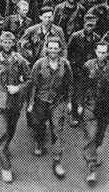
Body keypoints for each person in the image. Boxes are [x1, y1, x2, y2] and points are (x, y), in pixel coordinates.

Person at [0, 31, 30, 183]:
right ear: (0, 43)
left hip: (15, 101)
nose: (7, 45)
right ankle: (6, 167)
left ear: (14, 43)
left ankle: (5, 148)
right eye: (4, 42)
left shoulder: (20, 60)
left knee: (10, 131)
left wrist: (19, 88)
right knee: (1, 134)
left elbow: (29, 80)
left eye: (9, 42)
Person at [28, 36, 72, 179]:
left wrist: (69, 102)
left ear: (60, 49)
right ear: (46, 49)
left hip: (58, 101)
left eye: (56, 48)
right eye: (50, 48)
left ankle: (57, 161)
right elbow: (33, 84)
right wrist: (30, 103)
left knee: (57, 130)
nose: (53, 50)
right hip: (41, 100)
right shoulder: (39, 64)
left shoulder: (65, 64)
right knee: (38, 124)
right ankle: (39, 141)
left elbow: (70, 84)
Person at [80, 41, 109, 184]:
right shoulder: (87, 66)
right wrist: (79, 104)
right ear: (95, 51)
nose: (101, 55)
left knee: (99, 135)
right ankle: (91, 169)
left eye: (104, 52)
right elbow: (81, 86)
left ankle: (96, 149)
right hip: (90, 106)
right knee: (91, 135)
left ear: (108, 53)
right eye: (99, 51)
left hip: (106, 107)